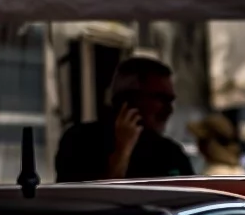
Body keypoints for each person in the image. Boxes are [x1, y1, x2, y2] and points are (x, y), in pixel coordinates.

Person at [55, 57, 191, 182]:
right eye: (161, 99)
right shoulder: (79, 141)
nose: (169, 110)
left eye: (170, 101)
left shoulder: (171, 153)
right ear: (129, 101)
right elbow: (91, 199)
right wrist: (123, 151)